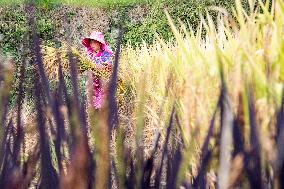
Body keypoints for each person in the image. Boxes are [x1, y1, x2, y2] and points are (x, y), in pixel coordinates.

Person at [82, 31, 113, 109]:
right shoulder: (90, 55)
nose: (92, 45)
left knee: (102, 106)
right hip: (92, 84)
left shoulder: (106, 55)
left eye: (94, 43)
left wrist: (97, 68)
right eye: (91, 43)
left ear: (99, 43)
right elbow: (86, 68)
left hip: (102, 83)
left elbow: (109, 67)